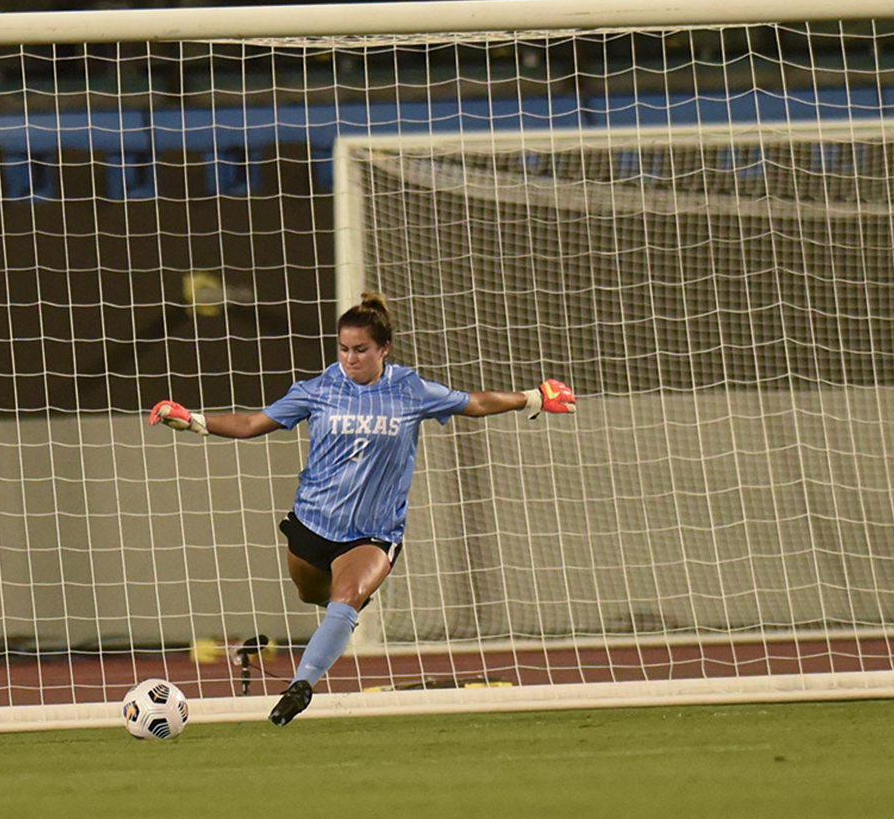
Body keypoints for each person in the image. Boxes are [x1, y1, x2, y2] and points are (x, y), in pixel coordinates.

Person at [148, 292, 576, 726]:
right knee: (312, 594)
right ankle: (339, 615)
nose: (351, 359)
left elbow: (474, 402)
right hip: (313, 524)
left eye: (361, 350)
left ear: (383, 349)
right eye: (344, 349)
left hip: (374, 533)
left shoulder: (410, 389)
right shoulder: (317, 390)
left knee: (346, 597)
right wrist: (193, 419)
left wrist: (533, 397)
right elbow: (252, 424)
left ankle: (302, 684)